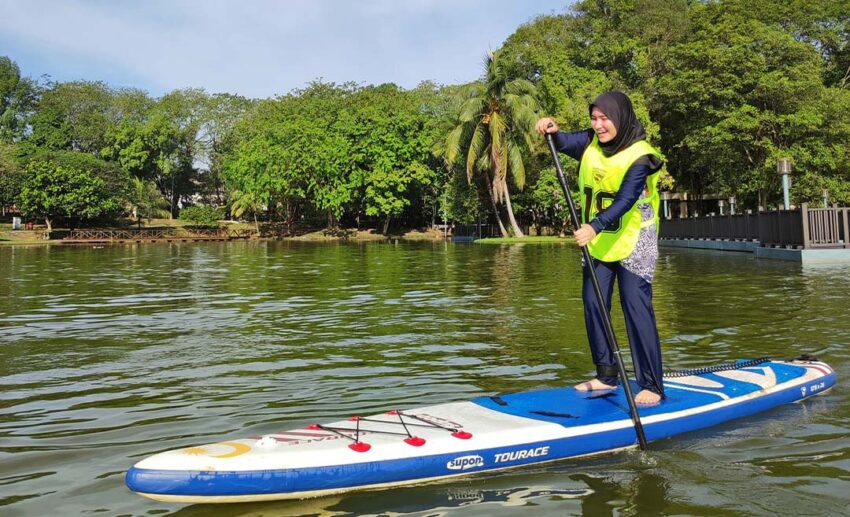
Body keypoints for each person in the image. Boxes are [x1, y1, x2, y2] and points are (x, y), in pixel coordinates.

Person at [536, 91, 665, 406]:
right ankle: (606, 377)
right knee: (594, 304)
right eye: (594, 119)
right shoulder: (591, 141)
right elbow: (565, 141)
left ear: (620, 117)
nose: (599, 125)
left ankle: (652, 385)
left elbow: (626, 199)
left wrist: (593, 225)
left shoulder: (641, 156)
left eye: (605, 118)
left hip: (634, 239)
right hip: (597, 241)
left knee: (636, 309)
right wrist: (552, 130)